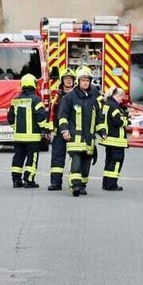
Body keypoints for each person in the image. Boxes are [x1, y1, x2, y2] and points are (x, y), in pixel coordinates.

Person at [57, 66, 106, 197]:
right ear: (78, 81)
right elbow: (63, 116)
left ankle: (83, 185)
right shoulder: (70, 97)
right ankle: (75, 185)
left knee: (86, 163)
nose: (85, 82)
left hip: (89, 138)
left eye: (88, 80)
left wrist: (102, 131)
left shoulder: (93, 98)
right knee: (76, 160)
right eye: (83, 80)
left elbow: (99, 117)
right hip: (75, 138)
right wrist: (65, 130)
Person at [8, 73, 50, 188]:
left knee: (18, 158)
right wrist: (45, 129)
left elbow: (10, 118)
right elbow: (41, 117)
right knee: (32, 158)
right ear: (34, 85)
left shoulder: (15, 100)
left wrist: (16, 128)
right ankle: (29, 180)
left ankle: (16, 181)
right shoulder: (36, 100)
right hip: (32, 137)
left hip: (18, 137)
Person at [47, 67, 77, 191]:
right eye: (66, 79)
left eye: (70, 79)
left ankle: (75, 183)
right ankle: (55, 183)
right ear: (62, 80)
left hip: (74, 130)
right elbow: (51, 113)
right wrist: (49, 130)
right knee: (57, 156)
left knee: (75, 157)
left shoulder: (78, 95)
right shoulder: (57, 96)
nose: (68, 81)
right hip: (59, 131)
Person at [99, 86, 129, 191]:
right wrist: (127, 121)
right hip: (116, 140)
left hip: (109, 139)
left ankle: (106, 183)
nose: (122, 99)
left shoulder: (107, 104)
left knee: (109, 161)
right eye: (122, 97)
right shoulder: (114, 107)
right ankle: (112, 184)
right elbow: (118, 121)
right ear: (117, 95)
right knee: (116, 162)